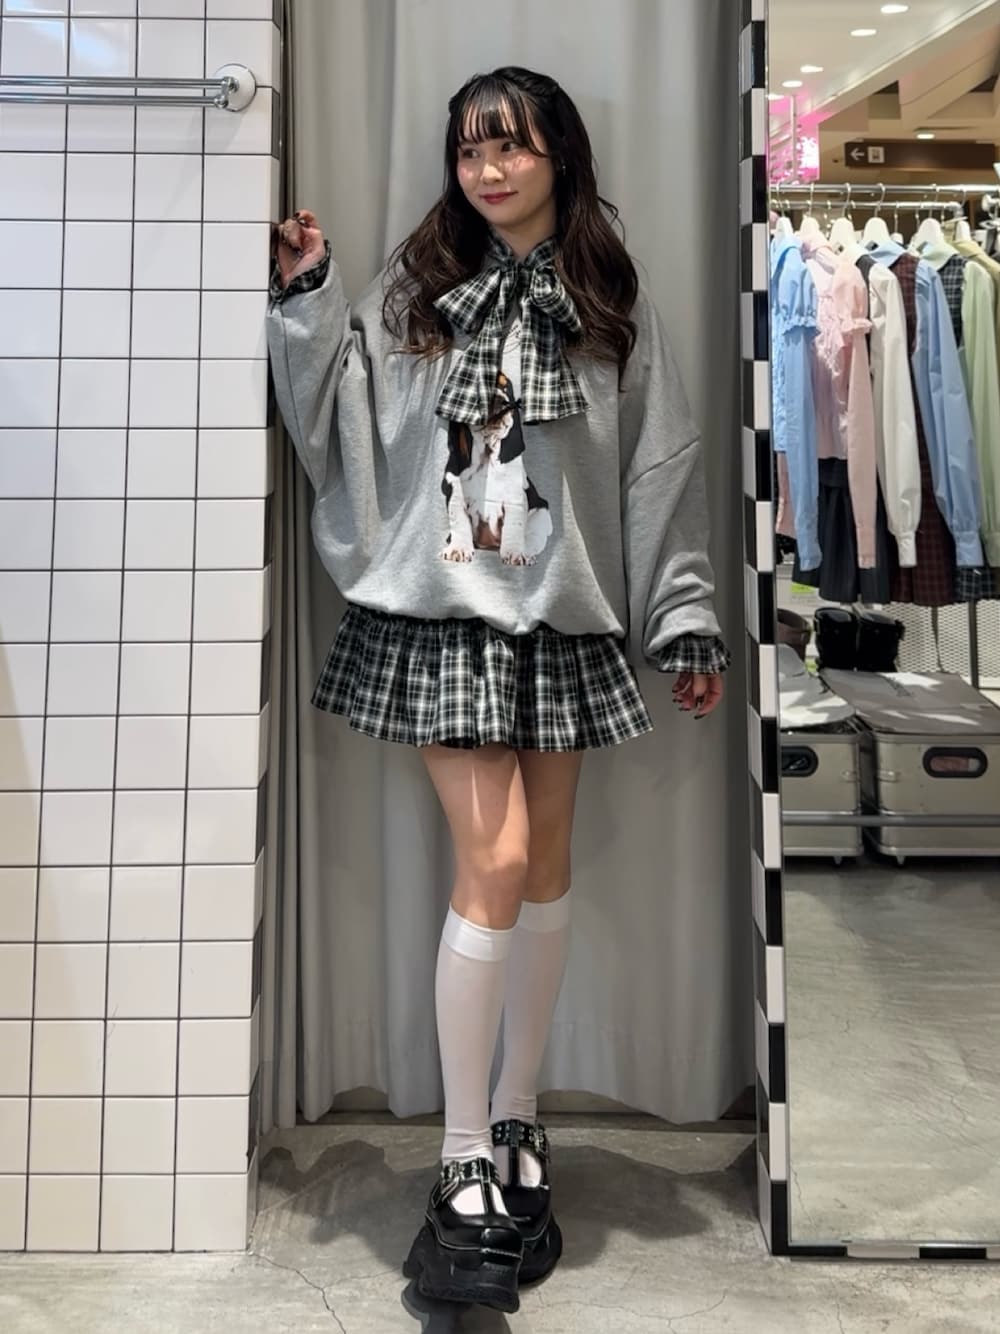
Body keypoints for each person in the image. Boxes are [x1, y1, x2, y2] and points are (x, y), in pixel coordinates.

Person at [267, 64, 728, 1315]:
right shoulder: (418, 288)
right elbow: (339, 417)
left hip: (562, 616)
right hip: (447, 613)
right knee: (501, 855)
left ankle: (521, 1123)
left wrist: (684, 614)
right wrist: (308, 297)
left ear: (558, 156)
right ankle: (463, 1151)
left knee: (548, 865)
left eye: (512, 147)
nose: (488, 170)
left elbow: (661, 459)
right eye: (471, 150)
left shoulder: (608, 299)